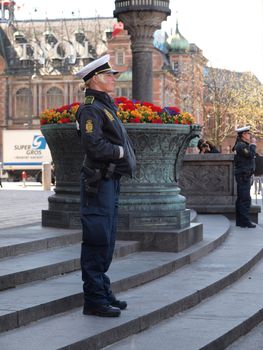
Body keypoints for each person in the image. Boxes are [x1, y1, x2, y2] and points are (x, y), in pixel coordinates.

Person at [75, 54, 136, 317]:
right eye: (110, 75)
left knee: (107, 238)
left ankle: (103, 290)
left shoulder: (104, 106)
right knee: (97, 239)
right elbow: (93, 144)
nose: (113, 78)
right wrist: (121, 153)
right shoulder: (91, 109)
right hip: (98, 182)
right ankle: (94, 300)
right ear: (95, 79)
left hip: (108, 180)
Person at [232, 125, 257, 228]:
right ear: (243, 134)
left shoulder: (242, 145)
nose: (249, 135)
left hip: (244, 175)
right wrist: (253, 145)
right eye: (248, 133)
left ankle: (240, 221)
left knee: (241, 198)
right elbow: (250, 155)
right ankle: (245, 221)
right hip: (243, 175)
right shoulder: (241, 145)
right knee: (245, 199)